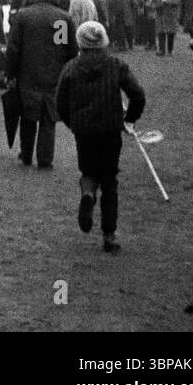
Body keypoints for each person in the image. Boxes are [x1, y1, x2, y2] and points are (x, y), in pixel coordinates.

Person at [56, 21, 146, 253]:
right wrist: (128, 120)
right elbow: (138, 95)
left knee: (88, 172)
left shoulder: (70, 68)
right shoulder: (116, 65)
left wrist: (73, 123)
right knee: (109, 180)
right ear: (104, 41)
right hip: (110, 129)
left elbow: (60, 102)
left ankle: (87, 193)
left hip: (84, 131)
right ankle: (109, 234)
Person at [5, 0, 77, 169]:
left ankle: (26, 154)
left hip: (27, 73)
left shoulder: (23, 16)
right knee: (48, 117)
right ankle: (45, 159)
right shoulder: (62, 18)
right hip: (54, 74)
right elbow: (65, 48)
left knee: (28, 116)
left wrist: (10, 73)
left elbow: (13, 48)